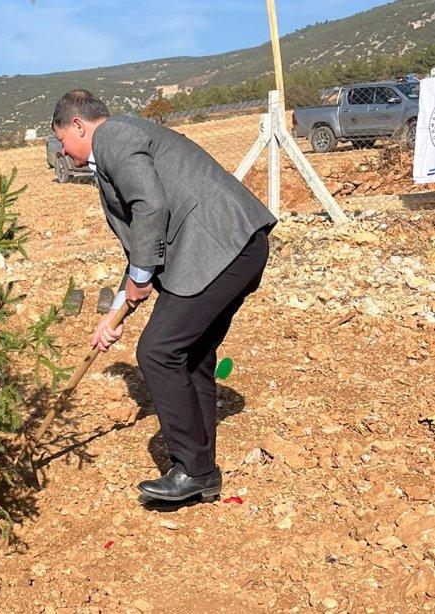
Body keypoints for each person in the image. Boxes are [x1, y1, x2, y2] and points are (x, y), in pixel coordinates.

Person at [51, 90, 276, 503]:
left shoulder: (114, 137)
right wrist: (113, 314)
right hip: (237, 245)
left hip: (218, 247)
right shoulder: (123, 139)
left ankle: (191, 469)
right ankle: (202, 471)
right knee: (191, 356)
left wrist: (140, 279)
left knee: (156, 351)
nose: (62, 151)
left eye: (62, 139)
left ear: (79, 126)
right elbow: (142, 244)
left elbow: (150, 210)